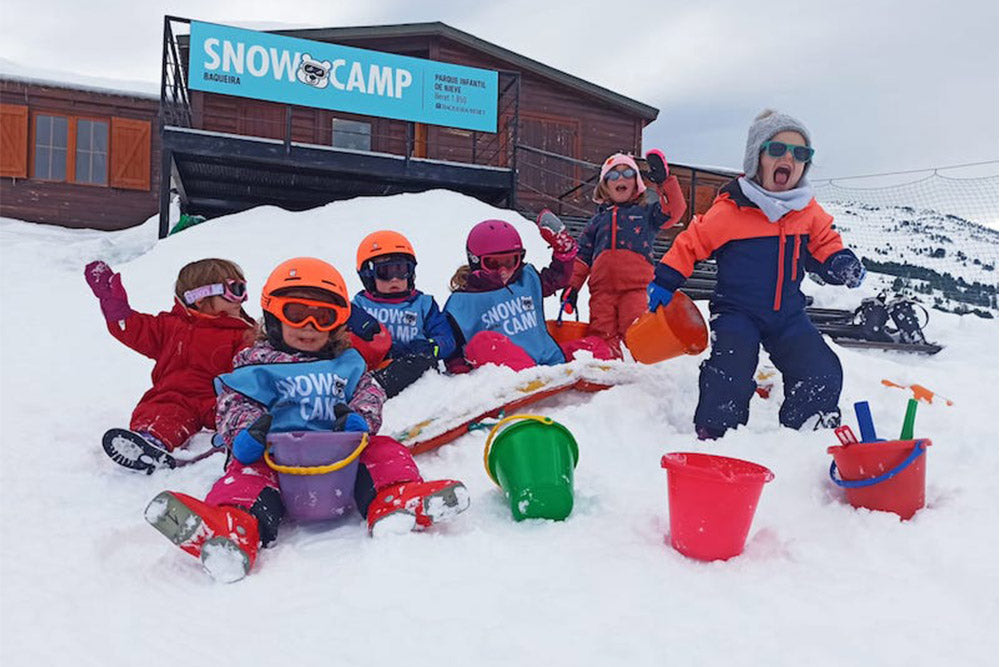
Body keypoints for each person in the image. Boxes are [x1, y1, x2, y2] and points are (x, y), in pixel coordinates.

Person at [144, 257, 469, 582]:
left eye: (323, 317)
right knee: (243, 476)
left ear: (337, 322)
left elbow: (369, 393)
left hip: (343, 460)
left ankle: (396, 499)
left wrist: (358, 419)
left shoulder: (346, 363)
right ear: (273, 316)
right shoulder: (255, 365)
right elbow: (233, 403)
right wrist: (247, 432)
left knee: (385, 450)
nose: (310, 326)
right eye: (296, 314)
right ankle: (233, 526)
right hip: (272, 460)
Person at [647, 110, 866, 439]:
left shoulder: (807, 211)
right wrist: (665, 280)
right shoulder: (732, 209)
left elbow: (824, 245)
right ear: (757, 158)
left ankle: (806, 428)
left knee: (821, 368)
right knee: (731, 369)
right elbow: (692, 243)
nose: (789, 159)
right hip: (737, 311)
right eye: (778, 150)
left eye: (800, 154)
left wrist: (840, 262)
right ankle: (717, 431)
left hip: (788, 314)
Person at [84, 258, 255, 472]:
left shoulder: (243, 333)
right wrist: (116, 308)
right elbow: (136, 330)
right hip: (176, 397)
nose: (243, 298)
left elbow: (253, 367)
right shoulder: (169, 326)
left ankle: (242, 436)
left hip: (217, 399)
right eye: (234, 290)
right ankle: (150, 440)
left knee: (242, 411)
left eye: (243, 288)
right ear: (200, 298)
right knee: (160, 409)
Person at [443, 218, 612, 372]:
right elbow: (452, 347)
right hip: (508, 368)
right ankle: (531, 376)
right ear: (475, 260)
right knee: (482, 343)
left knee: (597, 345)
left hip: (549, 360)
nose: (503, 270)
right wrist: (459, 370)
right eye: (493, 263)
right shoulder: (462, 302)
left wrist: (564, 253)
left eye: (510, 261)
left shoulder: (526, 279)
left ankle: (598, 375)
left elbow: (557, 278)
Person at [561, 151, 687, 357]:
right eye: (613, 175)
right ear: (605, 186)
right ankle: (606, 367)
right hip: (602, 291)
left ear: (637, 182)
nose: (620, 178)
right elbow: (582, 257)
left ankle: (636, 371)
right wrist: (572, 287)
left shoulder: (647, 213)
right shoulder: (597, 221)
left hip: (636, 288)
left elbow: (675, 210)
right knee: (601, 331)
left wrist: (665, 182)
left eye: (627, 173)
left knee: (635, 330)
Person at [351, 230, 456, 397]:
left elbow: (446, 338)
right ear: (368, 275)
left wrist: (430, 348)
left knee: (419, 364)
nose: (395, 279)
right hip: (375, 369)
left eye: (401, 271)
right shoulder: (358, 308)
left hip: (417, 370)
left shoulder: (423, 305)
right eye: (385, 272)